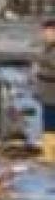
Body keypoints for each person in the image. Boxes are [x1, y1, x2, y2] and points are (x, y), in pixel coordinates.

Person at [37, 19, 55, 162]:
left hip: (52, 95)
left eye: (47, 31)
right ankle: (48, 154)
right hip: (47, 95)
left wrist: (41, 72)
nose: (44, 34)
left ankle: (50, 156)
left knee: (50, 125)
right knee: (48, 124)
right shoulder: (48, 48)